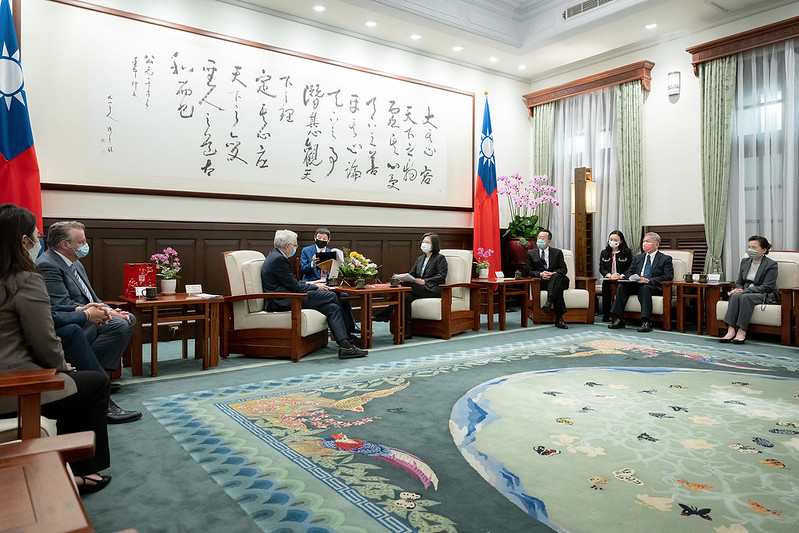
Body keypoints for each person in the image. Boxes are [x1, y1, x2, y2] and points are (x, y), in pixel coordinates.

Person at [0, 204, 113, 493]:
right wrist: (61, 368)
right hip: (14, 386)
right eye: (35, 235)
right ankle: (83, 471)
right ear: (23, 242)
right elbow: (44, 339)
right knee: (96, 382)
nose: (39, 241)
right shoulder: (25, 280)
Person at [36, 220, 140, 423]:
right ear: (65, 244)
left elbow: (91, 297)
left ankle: (95, 379)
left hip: (87, 315)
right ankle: (96, 385)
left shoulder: (75, 262)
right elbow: (62, 304)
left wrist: (110, 310)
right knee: (116, 324)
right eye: (81, 241)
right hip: (70, 322)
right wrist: (97, 313)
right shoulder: (47, 265)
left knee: (127, 318)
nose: (85, 245)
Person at [261, 229, 367, 359]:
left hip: (289, 295)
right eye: (295, 245)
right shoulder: (278, 260)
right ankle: (348, 336)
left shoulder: (276, 255)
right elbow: (294, 286)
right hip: (283, 300)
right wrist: (315, 286)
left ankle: (345, 345)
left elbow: (291, 283)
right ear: (287, 246)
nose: (296, 248)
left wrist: (314, 284)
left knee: (331, 307)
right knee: (331, 296)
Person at [52, 305, 142, 423]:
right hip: (41, 336)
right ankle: (101, 400)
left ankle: (99, 384)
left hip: (72, 316)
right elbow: (46, 316)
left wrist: (81, 309)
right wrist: (86, 314)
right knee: (73, 331)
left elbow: (51, 309)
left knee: (128, 319)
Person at [376, 232, 448, 339]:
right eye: (423, 242)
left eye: (427, 242)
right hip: (418, 290)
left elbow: (441, 276)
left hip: (433, 289)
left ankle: (386, 313)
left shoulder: (440, 258)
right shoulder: (420, 259)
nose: (424, 244)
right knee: (405, 297)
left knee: (406, 286)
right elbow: (412, 274)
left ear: (434, 244)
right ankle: (407, 332)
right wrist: (402, 278)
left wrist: (425, 281)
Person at [608, 232, 674, 333]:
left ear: (656, 244)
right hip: (637, 284)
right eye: (643, 241)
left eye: (647, 242)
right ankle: (619, 318)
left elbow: (668, 276)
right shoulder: (638, 257)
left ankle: (646, 321)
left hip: (653, 286)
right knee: (622, 286)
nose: (644, 244)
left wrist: (649, 280)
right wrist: (627, 276)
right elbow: (630, 272)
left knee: (645, 288)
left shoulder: (665, 259)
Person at [720, 235, 779, 345]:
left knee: (745, 297)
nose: (750, 250)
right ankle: (731, 329)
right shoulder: (745, 261)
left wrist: (743, 291)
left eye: (754, 247)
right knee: (735, 296)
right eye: (749, 247)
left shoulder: (771, 265)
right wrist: (738, 289)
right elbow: (739, 281)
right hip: (746, 292)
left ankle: (742, 330)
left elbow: (767, 287)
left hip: (765, 294)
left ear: (764, 250)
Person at [299, 227, 359, 333]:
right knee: (334, 297)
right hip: (313, 283)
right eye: (319, 238)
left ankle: (351, 325)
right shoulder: (306, 251)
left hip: (328, 283)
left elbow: (336, 271)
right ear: (315, 238)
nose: (321, 240)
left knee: (344, 296)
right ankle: (342, 328)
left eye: (324, 238)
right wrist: (312, 263)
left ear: (328, 240)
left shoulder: (331, 252)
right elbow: (303, 270)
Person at [525, 229, 570, 329]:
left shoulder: (557, 252)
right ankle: (559, 319)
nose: (540, 240)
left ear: (549, 241)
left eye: (543, 238)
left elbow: (564, 269)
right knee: (557, 290)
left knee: (557, 277)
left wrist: (552, 274)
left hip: (559, 280)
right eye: (539, 238)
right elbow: (528, 271)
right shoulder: (531, 254)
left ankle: (549, 301)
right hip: (542, 282)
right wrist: (540, 274)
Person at [598, 230, 634, 322]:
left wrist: (622, 275)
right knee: (606, 288)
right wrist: (609, 275)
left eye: (615, 239)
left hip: (622, 279)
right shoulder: (604, 252)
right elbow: (601, 268)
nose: (612, 241)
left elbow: (631, 267)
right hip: (609, 279)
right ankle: (606, 314)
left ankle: (618, 314)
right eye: (611, 239)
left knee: (621, 290)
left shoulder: (627, 252)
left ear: (621, 241)